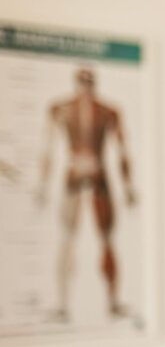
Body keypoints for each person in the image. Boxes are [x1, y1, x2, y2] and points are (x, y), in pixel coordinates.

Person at [37, 67, 137, 321]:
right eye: (82, 83)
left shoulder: (108, 112)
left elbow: (122, 150)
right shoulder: (61, 109)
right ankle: (62, 304)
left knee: (106, 240)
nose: (86, 88)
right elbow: (47, 149)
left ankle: (113, 302)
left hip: (98, 178)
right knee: (68, 239)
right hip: (74, 178)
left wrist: (128, 188)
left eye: (89, 83)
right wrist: (42, 186)